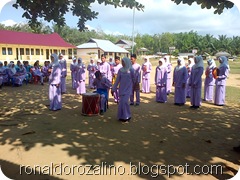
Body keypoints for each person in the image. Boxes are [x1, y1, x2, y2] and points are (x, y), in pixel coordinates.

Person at [111, 57, 135, 122]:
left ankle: (127, 116)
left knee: (125, 102)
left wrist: (134, 86)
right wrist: (113, 88)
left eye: (124, 62)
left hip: (128, 89)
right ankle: (121, 116)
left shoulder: (131, 70)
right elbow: (117, 81)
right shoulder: (120, 70)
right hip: (122, 88)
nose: (123, 63)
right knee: (121, 102)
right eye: (122, 62)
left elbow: (134, 79)